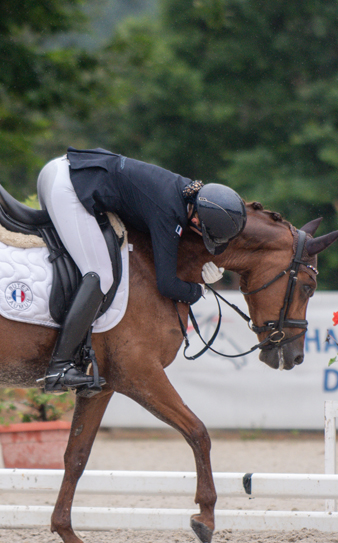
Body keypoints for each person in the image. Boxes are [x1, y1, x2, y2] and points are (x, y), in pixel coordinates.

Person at [36, 147, 246, 393]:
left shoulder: (189, 192)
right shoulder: (170, 212)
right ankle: (59, 368)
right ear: (197, 221)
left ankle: (78, 355)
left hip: (67, 170)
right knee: (100, 275)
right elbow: (166, 284)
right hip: (68, 185)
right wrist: (198, 291)